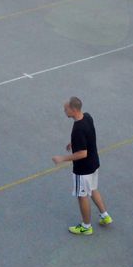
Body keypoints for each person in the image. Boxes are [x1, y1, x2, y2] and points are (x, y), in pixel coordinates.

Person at [51, 96, 111, 235]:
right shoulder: (87, 117)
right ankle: (105, 215)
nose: (64, 111)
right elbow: (88, 135)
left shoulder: (78, 129)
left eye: (66, 109)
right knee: (93, 189)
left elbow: (82, 153)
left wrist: (62, 158)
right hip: (94, 163)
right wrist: (73, 142)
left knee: (82, 196)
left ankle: (86, 226)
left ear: (73, 109)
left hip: (83, 169)